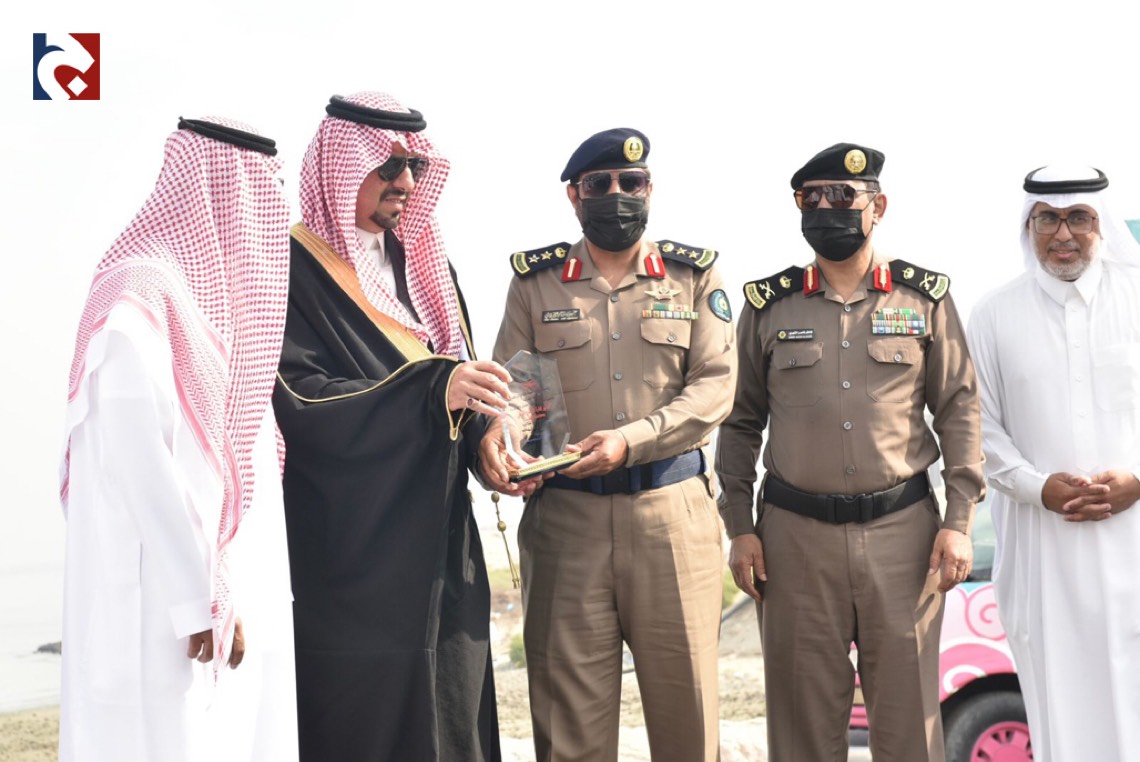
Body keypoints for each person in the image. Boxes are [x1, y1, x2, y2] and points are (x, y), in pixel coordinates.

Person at [716, 143, 984, 762]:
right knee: (803, 731)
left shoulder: (923, 299)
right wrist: (739, 527)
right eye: (811, 199)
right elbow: (739, 423)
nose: (826, 209)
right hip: (794, 542)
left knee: (908, 730)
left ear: (878, 207)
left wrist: (959, 521)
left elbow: (960, 410)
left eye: (843, 196)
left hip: (904, 539)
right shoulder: (768, 306)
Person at [480, 127, 737, 762]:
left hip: (673, 522)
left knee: (689, 727)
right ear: (575, 195)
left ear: (650, 190)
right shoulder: (536, 283)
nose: (617, 194)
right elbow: (516, 388)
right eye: (600, 184)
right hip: (566, 525)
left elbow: (714, 388)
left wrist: (630, 441)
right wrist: (505, 440)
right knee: (569, 736)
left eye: (632, 182)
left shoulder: (693, 275)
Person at [272, 92, 503, 761]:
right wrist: (433, 392)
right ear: (341, 167)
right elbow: (301, 399)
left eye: (415, 167)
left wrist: (488, 439)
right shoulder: (290, 268)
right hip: (354, 551)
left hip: (443, 540)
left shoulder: (427, 266)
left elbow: (462, 375)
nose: (405, 181)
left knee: (454, 707)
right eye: (388, 164)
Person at [59, 117, 297, 761]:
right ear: (225, 189)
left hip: (230, 594)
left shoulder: (210, 306)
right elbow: (142, 464)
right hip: (164, 607)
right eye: (262, 190)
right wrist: (199, 599)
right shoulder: (138, 297)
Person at [966, 165, 1140, 762]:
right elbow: (978, 427)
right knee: (1062, 705)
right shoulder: (993, 314)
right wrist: (1038, 488)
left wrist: (1137, 481)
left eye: (1078, 218)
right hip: (1043, 552)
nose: (1063, 234)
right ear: (1028, 225)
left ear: (1102, 223)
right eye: (1048, 219)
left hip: (1133, 541)